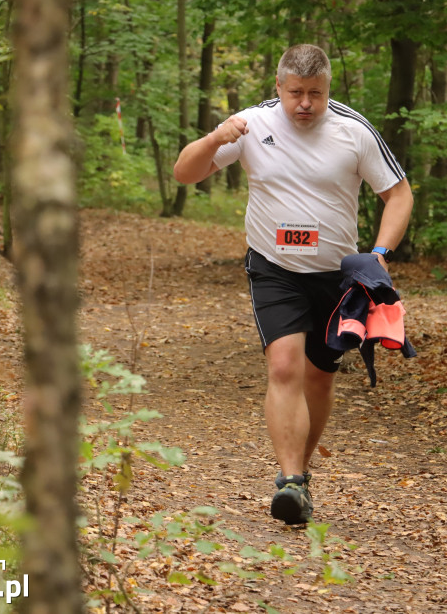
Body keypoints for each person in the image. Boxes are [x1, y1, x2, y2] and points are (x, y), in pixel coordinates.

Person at [173, 44, 413, 525]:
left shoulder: (354, 130)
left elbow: (398, 193)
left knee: (319, 378)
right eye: (296, 93)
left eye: (316, 94)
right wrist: (215, 137)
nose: (305, 103)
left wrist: (380, 255)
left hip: (336, 273)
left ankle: (300, 471)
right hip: (273, 266)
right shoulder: (250, 124)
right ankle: (290, 481)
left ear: (328, 90)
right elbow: (185, 173)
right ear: (278, 88)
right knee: (284, 367)